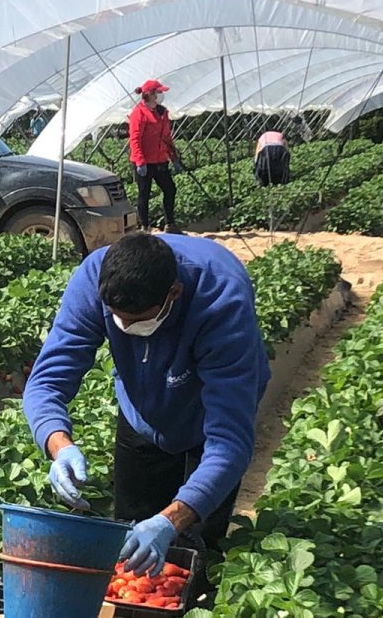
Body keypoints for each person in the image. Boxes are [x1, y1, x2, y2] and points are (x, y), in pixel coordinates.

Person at [22, 232, 269, 579]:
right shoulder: (95, 280)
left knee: (196, 548)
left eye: (140, 319)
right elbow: (47, 381)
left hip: (206, 414)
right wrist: (58, 444)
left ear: (174, 294)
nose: (126, 327)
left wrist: (172, 521)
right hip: (142, 412)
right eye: (118, 318)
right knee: (130, 542)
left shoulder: (221, 300)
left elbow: (229, 442)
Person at [129, 80, 186, 234]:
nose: (161, 95)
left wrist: (173, 157)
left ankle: (170, 224)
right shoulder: (138, 114)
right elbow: (135, 139)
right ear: (150, 94)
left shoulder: (162, 112)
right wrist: (140, 161)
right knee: (144, 193)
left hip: (160, 160)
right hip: (145, 162)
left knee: (170, 189)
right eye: (158, 92)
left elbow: (167, 137)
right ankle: (145, 227)